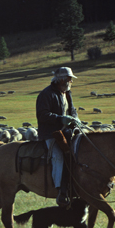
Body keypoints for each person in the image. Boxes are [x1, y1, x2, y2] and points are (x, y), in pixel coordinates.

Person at [36, 67, 80, 206]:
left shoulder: (67, 93)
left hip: (67, 133)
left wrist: (76, 119)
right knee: (58, 155)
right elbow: (42, 115)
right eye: (69, 78)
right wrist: (60, 119)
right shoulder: (46, 94)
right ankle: (60, 190)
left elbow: (72, 111)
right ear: (61, 79)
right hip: (51, 134)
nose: (71, 81)